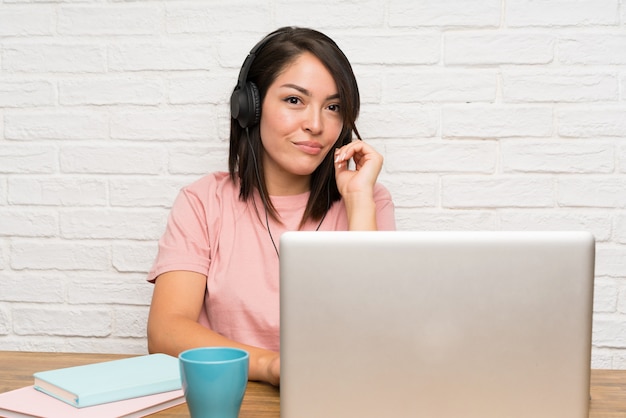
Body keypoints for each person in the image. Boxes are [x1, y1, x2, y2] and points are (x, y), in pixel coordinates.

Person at [146, 26, 396, 386]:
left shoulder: (369, 199)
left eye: (333, 107)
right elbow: (166, 331)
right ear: (251, 107)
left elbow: (381, 332)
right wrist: (274, 367)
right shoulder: (203, 202)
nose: (315, 124)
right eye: (295, 100)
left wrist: (358, 201)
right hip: (231, 399)